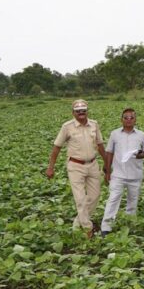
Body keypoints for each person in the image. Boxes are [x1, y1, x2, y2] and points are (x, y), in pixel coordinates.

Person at [46, 99, 108, 238]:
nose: (81, 113)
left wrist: (107, 164)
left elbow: (100, 145)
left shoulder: (94, 124)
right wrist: (51, 168)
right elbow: (56, 148)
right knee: (80, 199)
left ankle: (77, 223)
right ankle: (88, 229)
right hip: (75, 166)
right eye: (78, 111)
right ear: (73, 113)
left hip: (92, 164)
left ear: (87, 111)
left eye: (84, 111)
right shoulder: (67, 127)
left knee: (94, 196)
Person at [100, 108, 144, 236]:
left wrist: (140, 155)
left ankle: (130, 226)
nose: (128, 120)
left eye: (131, 118)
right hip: (118, 174)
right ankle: (106, 227)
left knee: (133, 201)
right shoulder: (115, 134)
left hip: (135, 174)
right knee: (113, 199)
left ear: (135, 120)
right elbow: (109, 152)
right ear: (121, 119)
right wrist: (107, 171)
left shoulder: (141, 135)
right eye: (126, 117)